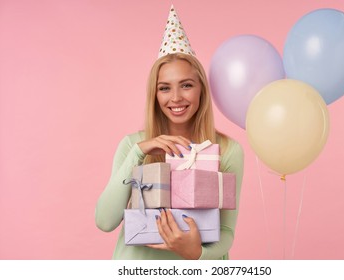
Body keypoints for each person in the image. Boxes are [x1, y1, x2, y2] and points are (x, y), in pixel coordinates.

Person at [95, 5, 244, 260]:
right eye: (164, 88)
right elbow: (105, 221)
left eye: (186, 85)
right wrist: (139, 153)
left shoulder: (228, 150)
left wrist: (196, 252)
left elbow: (227, 231)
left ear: (201, 91)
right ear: (154, 95)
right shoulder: (133, 145)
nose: (176, 98)